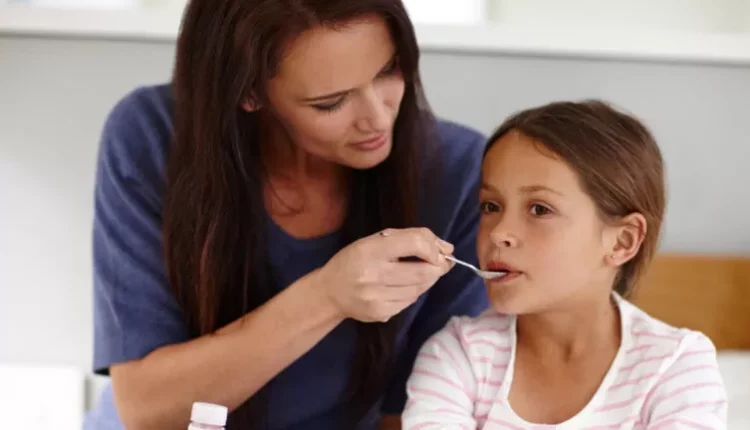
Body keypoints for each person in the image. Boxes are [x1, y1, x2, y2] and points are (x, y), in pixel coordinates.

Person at [83, 0, 490, 429]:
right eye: (331, 102)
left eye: (388, 70)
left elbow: (418, 415)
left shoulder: (460, 172)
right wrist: (328, 296)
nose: (377, 117)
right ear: (249, 93)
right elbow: (147, 410)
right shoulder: (152, 135)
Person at [402, 100, 729, 429]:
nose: (499, 233)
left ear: (622, 241)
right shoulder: (457, 355)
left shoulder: (676, 367)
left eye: (539, 209)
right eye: (491, 206)